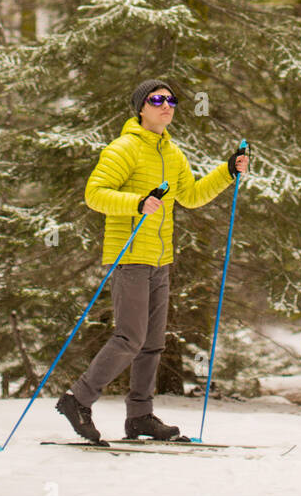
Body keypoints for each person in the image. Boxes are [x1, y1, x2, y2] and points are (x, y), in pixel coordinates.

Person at [57, 78, 249, 443]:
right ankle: (77, 399)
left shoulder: (172, 154)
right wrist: (137, 202)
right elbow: (94, 195)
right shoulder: (123, 148)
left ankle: (140, 416)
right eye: (157, 99)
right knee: (130, 337)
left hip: (161, 258)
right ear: (141, 108)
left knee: (152, 343)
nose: (166, 105)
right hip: (130, 256)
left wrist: (227, 171)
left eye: (171, 100)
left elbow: (191, 196)